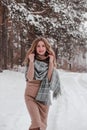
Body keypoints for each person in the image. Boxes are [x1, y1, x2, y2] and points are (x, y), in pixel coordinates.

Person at [24, 37, 61, 130]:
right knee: (36, 122)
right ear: (35, 48)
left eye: (43, 46)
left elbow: (49, 80)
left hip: (44, 98)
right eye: (38, 46)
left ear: (46, 47)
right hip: (30, 97)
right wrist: (32, 61)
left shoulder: (49, 62)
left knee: (43, 125)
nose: (41, 48)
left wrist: (51, 63)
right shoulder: (31, 60)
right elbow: (29, 77)